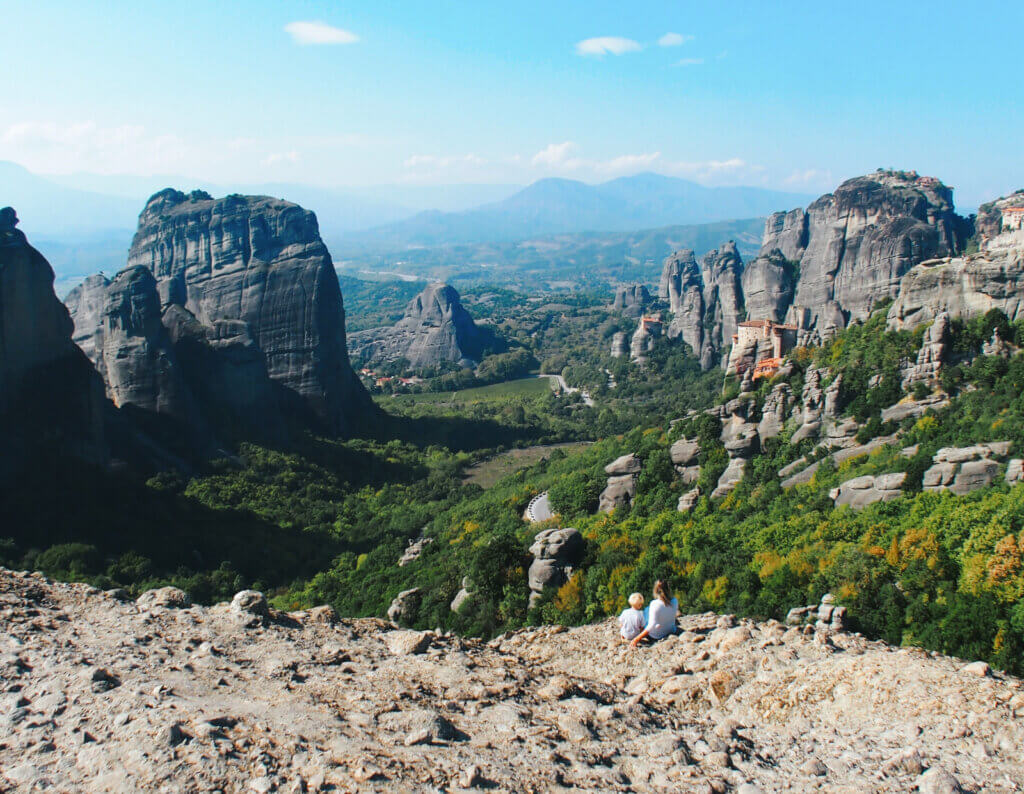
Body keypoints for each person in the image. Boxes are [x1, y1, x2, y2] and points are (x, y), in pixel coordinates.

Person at [630, 580, 678, 647]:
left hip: (656, 636)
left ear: (655, 591)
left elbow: (651, 626)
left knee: (646, 610)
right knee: (648, 609)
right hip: (671, 630)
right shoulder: (675, 601)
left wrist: (636, 639)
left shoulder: (655, 604)